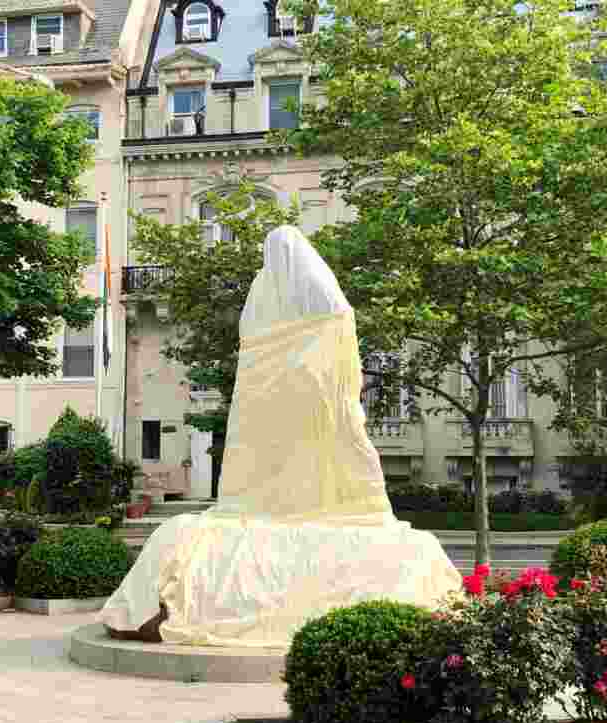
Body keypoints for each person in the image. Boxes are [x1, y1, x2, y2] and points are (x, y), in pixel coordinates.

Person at [100, 225, 460, 647]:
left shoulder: (282, 312)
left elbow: (303, 355)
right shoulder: (299, 311)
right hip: (287, 417)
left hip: (296, 415)